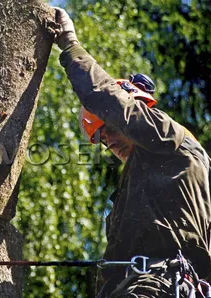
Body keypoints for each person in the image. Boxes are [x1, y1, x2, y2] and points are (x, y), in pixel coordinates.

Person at [53, 7, 211, 297]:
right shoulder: (145, 181)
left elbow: (107, 99)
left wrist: (69, 44)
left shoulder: (166, 136)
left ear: (135, 111)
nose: (109, 142)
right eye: (101, 140)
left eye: (110, 129)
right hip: (149, 283)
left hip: (162, 280)